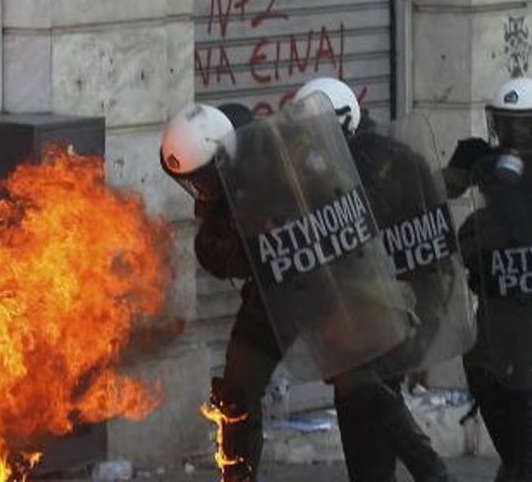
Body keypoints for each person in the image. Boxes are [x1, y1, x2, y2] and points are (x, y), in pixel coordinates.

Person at [159, 84, 451, 481]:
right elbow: (222, 254)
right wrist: (224, 241)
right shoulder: (218, 161)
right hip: (270, 290)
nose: (200, 191)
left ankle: (432, 473)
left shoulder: (285, 156)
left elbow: (342, 209)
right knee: (236, 392)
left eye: (204, 180)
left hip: (321, 283)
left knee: (361, 385)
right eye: (195, 182)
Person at [451, 77, 532, 482]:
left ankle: (528, 451)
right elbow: (438, 192)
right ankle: (517, 457)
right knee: (480, 368)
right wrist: (459, 170)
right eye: (502, 123)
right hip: (500, 303)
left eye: (519, 124)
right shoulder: (487, 167)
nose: (509, 132)